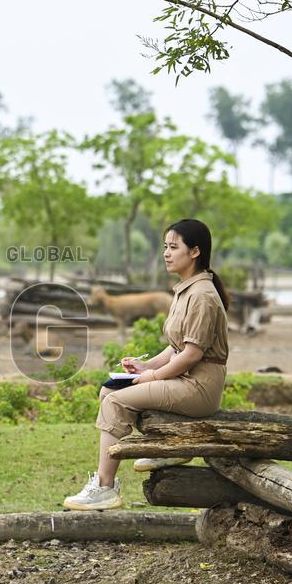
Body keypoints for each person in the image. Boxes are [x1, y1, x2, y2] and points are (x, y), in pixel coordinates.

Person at [63, 219, 230, 511]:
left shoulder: (202, 295)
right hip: (184, 379)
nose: (166, 253)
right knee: (109, 390)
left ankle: (105, 488)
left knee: (115, 402)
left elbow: (191, 354)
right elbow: (176, 347)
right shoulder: (185, 290)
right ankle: (169, 445)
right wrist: (145, 367)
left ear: (194, 252)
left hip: (199, 386)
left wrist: (153, 376)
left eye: (173, 247)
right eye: (165, 246)